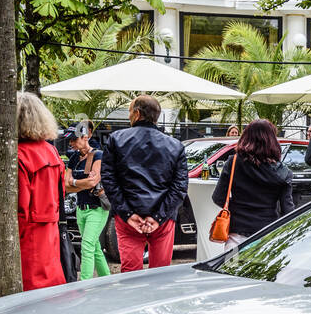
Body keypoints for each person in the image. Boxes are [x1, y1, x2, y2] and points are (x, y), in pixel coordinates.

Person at [0, 92, 67, 291]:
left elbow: (12, 215)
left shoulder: (15, 157)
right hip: (47, 242)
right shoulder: (51, 152)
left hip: (23, 247)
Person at [101, 94, 189, 272]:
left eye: (129, 112)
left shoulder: (116, 140)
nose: (128, 116)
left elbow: (109, 180)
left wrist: (128, 214)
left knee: (130, 273)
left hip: (129, 218)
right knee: (160, 273)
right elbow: (179, 186)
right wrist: (158, 217)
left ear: (137, 114)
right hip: (163, 218)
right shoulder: (175, 146)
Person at [210, 118, 292, 250]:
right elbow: (287, 210)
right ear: (272, 141)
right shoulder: (283, 173)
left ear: (245, 137)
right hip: (268, 233)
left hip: (236, 233)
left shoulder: (233, 162)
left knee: (231, 269)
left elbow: (218, 197)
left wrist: (238, 207)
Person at [63, 119, 112, 280]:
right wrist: (82, 184)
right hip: (81, 208)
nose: (71, 143)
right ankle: (108, 280)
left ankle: (84, 285)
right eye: (69, 140)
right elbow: (65, 185)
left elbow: (93, 182)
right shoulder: (74, 158)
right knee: (95, 246)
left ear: (85, 137)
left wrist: (75, 182)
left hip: (97, 208)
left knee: (87, 246)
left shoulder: (98, 155)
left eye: (74, 139)